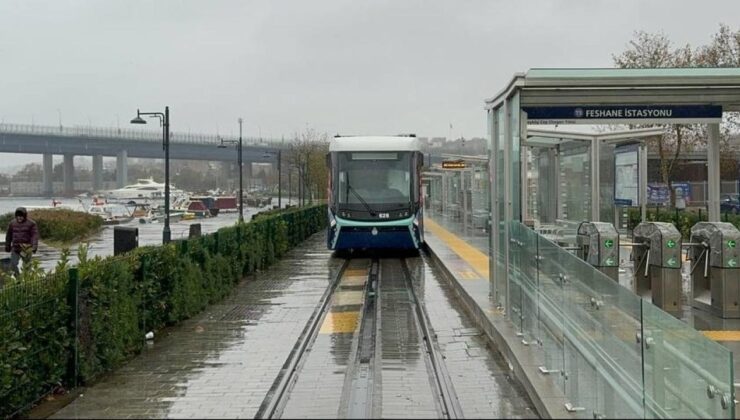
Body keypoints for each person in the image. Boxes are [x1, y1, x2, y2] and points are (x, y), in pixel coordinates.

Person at [4, 207, 39, 275]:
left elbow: (34, 236)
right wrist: (7, 245)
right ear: (16, 216)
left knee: (27, 267)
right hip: (15, 248)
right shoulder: (12, 223)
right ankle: (18, 281)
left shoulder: (32, 223)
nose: (19, 218)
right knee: (12, 265)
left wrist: (34, 246)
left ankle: (26, 282)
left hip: (26, 249)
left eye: (21, 216)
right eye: (18, 216)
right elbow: (8, 235)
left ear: (25, 216)